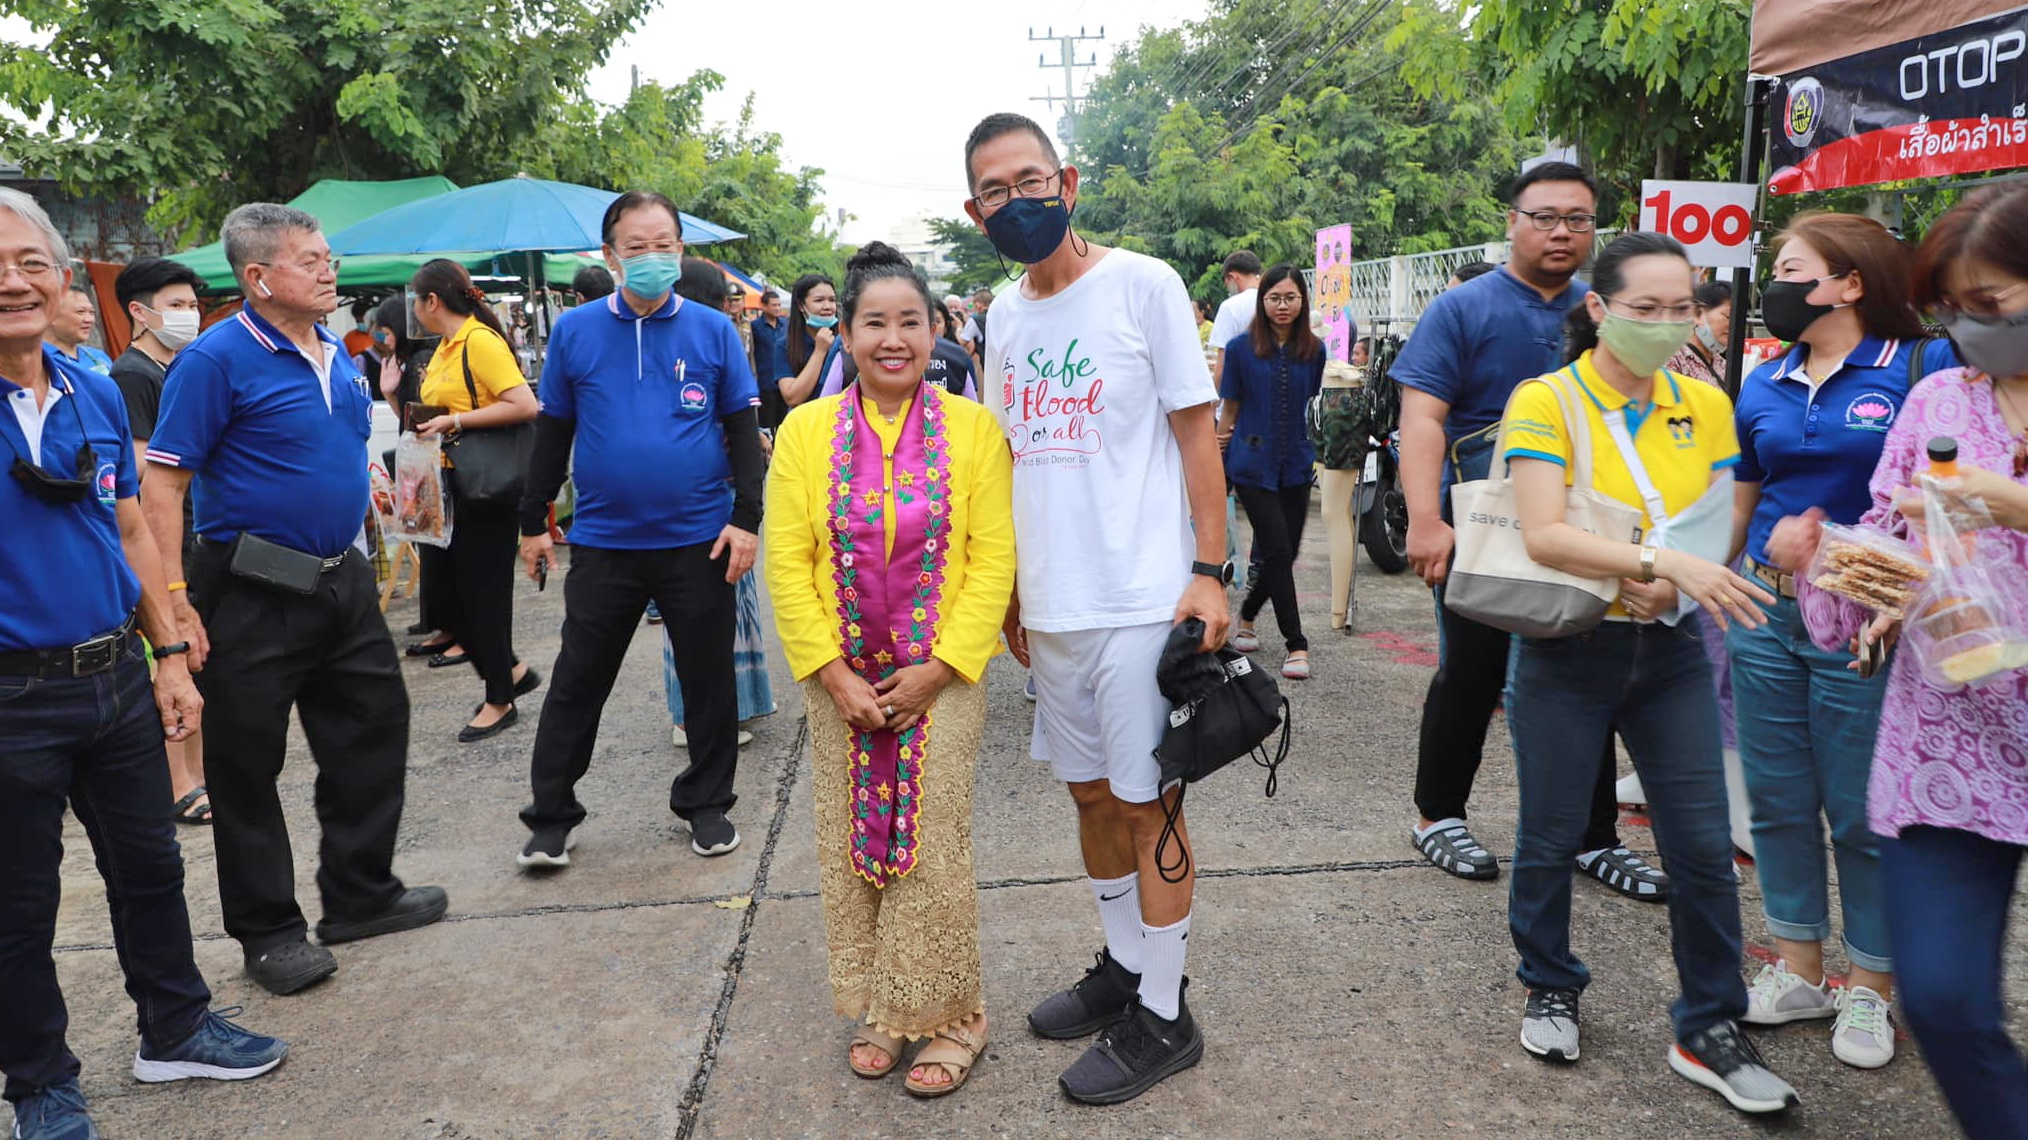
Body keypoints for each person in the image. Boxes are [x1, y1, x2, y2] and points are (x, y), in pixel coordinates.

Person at [0, 188, 289, 1140]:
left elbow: (127, 525)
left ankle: (175, 1027)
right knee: (18, 908)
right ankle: (40, 1081)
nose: (15, 281)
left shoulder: (88, 387)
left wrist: (167, 648)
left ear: (62, 277)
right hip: (9, 699)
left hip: (113, 678)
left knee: (151, 867)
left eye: (32, 262)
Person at [964, 111, 1229, 1105]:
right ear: (973, 210)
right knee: (1086, 796)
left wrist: (1210, 568)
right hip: (1055, 606)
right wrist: (1011, 591)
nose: (1019, 202)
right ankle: (1123, 966)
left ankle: (1166, 1011)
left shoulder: (1144, 285)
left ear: (1067, 180)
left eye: (1032, 181)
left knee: (1146, 800)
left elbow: (1198, 436)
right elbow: (1001, 459)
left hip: (1140, 597)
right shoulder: (1003, 312)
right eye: (997, 191)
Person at [1497, 231, 1796, 1114]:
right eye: (1645, 309)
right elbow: (1544, 532)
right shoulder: (1546, 400)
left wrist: (1718, 561)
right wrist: (1669, 565)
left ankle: (1708, 1023)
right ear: (1598, 310)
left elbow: (1717, 515)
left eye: (1682, 307)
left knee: (1703, 850)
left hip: (1668, 654)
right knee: (1551, 835)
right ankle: (1550, 981)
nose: (1668, 325)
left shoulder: (1704, 405)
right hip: (1567, 647)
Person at [1765, 183, 2028, 1138]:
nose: (1969, 328)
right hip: (1951, 739)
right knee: (1949, 1002)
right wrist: (1827, 562)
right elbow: (1888, 545)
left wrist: (2003, 504)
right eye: (1953, 307)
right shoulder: (1938, 397)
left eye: (1991, 306)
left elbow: (1990, 515)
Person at [142, 202, 449, 997]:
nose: (328, 270)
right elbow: (165, 485)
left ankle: (360, 893)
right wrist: (174, 601)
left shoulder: (333, 354)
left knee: (373, 730)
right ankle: (270, 932)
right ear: (257, 276)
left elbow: (344, 452)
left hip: (338, 579)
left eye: (328, 257)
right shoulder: (215, 360)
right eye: (308, 259)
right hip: (247, 588)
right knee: (247, 766)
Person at [765, 241, 1015, 1097]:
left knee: (930, 842)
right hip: (837, 681)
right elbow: (788, 563)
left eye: (911, 320)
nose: (893, 338)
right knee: (854, 845)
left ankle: (954, 1014)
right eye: (875, 321)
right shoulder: (805, 432)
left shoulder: (975, 430)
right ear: (846, 331)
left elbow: (992, 560)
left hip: (943, 682)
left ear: (936, 330)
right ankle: (885, 1006)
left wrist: (941, 668)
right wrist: (831, 673)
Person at [1391, 162, 1665, 901]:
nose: (1561, 231)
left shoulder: (1611, 312)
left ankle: (1593, 836)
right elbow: (1422, 418)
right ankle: (1437, 815)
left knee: (1589, 675)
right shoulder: (1464, 308)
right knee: (1472, 670)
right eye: (1545, 216)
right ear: (1512, 221)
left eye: (1578, 219)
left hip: (1586, 527)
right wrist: (1425, 519)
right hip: (1483, 525)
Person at [1727, 212, 1951, 1070]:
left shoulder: (1919, 372)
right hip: (1767, 612)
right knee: (1778, 798)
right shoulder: (1765, 379)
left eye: (1793, 270)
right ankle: (1799, 970)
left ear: (1851, 283)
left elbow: (1945, 507)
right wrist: (1721, 582)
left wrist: (1838, 552)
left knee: (1862, 808)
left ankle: (1870, 990)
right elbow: (1748, 496)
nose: (1778, 286)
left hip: (1871, 620)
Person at [514, 191, 765, 868]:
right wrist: (533, 519)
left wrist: (747, 521)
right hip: (604, 539)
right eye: (637, 246)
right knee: (577, 680)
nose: (652, 258)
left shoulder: (713, 331)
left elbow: (743, 430)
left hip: (699, 538)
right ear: (610, 255)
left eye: (664, 245)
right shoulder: (576, 331)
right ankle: (551, 816)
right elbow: (554, 429)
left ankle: (707, 806)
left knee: (709, 679)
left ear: (680, 252)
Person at [407, 259, 543, 742]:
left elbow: (524, 404)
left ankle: (500, 697)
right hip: (452, 487)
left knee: (483, 595)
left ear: (432, 301)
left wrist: (454, 423)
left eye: (415, 300)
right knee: (451, 599)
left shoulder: (479, 342)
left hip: (486, 487)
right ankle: (510, 670)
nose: (414, 309)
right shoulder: (445, 346)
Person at [108, 256, 213, 826]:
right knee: (170, 659)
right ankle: (180, 781)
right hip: (158, 535)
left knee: (193, 662)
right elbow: (142, 463)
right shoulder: (132, 374)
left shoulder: (175, 366)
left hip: (190, 527)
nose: (189, 315)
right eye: (176, 306)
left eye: (192, 306)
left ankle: (197, 775)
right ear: (139, 312)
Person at [664, 256, 773, 748]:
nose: (733, 308)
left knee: (726, 606)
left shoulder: (708, 341)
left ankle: (731, 708)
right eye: (726, 298)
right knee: (700, 610)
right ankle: (692, 718)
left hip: (713, 495)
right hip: (701, 501)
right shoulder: (699, 346)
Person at [1217, 264, 1323, 679]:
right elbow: (1231, 408)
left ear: (1302, 301)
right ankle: (1296, 644)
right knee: (1277, 550)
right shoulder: (1243, 348)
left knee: (1287, 551)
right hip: (1249, 461)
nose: (1282, 305)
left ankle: (1246, 614)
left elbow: (1309, 398)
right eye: (1275, 298)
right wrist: (1219, 448)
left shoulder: (1314, 350)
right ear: (1262, 302)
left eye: (1290, 298)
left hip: (1295, 461)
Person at [776, 273, 839, 412]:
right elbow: (792, 398)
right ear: (801, 306)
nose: (828, 306)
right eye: (819, 300)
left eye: (832, 300)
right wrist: (819, 351)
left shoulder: (845, 341)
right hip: (805, 425)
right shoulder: (785, 346)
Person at [1666, 282, 1733, 389]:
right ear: (1698, 313)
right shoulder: (1674, 360)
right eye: (1728, 317)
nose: (1733, 325)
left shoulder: (1722, 364)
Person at [1206, 250, 1262, 379]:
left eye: (1227, 283)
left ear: (1232, 277)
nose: (1228, 289)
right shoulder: (1275, 301)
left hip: (1243, 389)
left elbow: (1223, 360)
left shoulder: (1230, 306)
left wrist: (1215, 397)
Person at [45, 287, 111, 375]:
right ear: (51, 316)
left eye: (91, 312)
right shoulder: (41, 362)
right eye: (81, 312)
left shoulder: (98, 357)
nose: (89, 319)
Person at [751, 288, 791, 426]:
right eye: (774, 305)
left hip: (783, 381)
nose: (777, 308)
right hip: (765, 382)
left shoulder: (785, 324)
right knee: (766, 422)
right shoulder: (754, 327)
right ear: (764, 306)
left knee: (783, 422)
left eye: (779, 305)